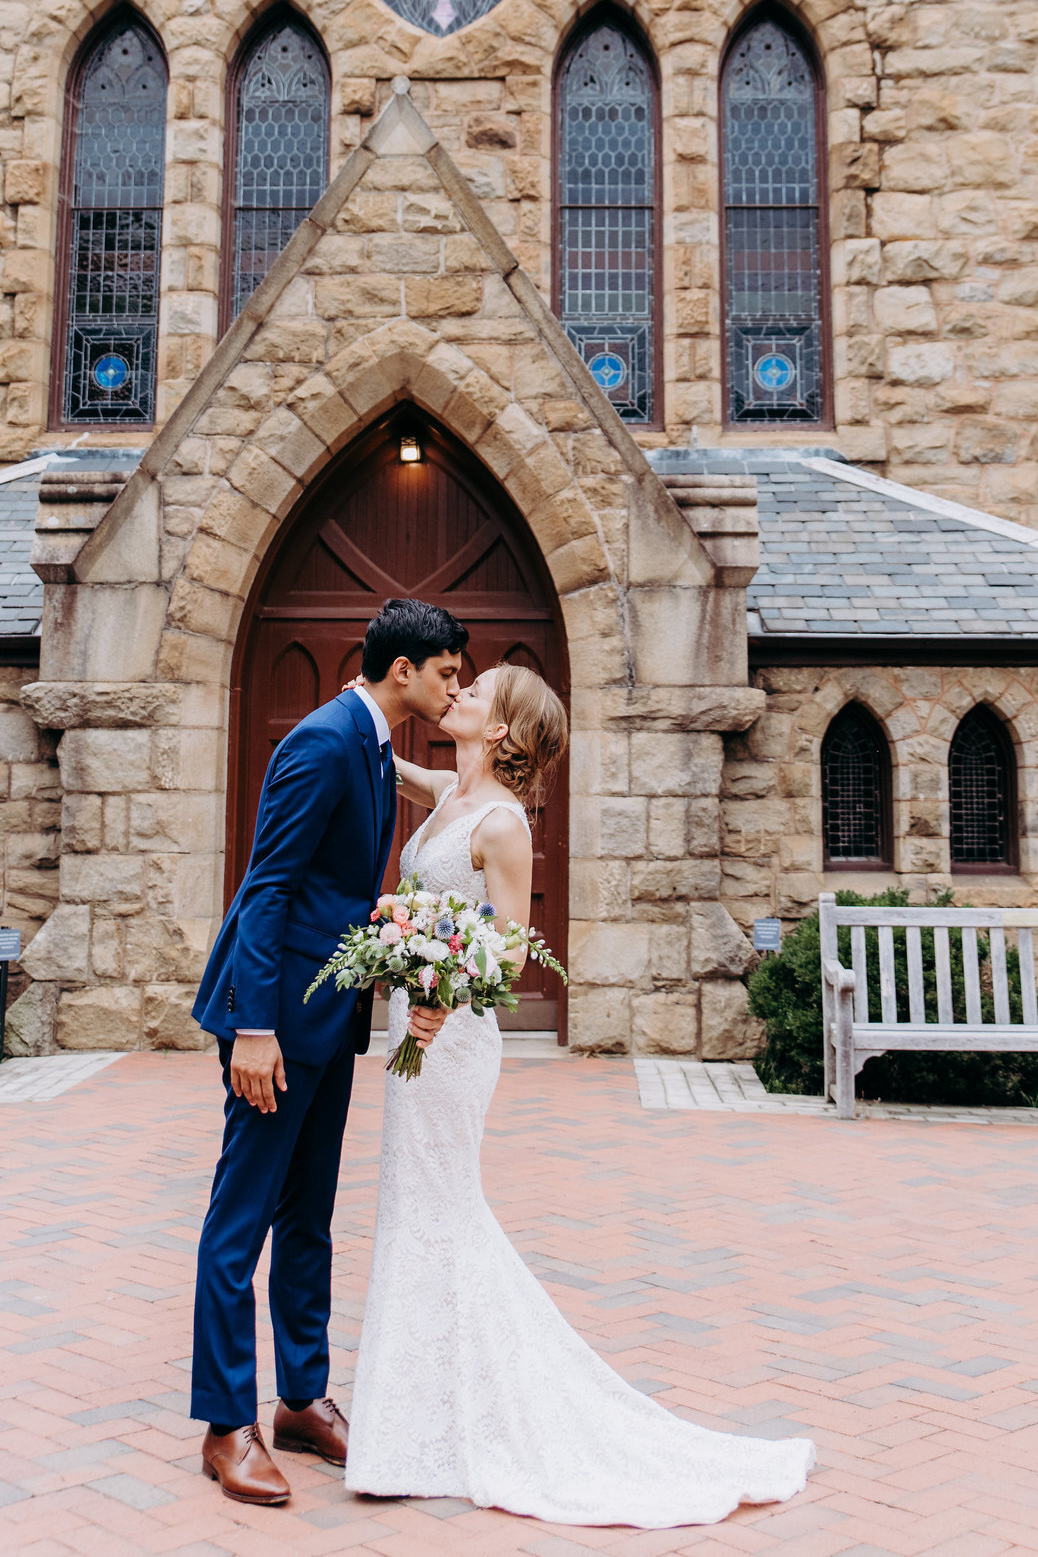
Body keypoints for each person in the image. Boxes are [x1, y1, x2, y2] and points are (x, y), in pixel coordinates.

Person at [345, 664, 816, 1527]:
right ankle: (417, 1422)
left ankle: (442, 1424)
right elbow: (386, 758)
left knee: (438, 1208)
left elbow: (510, 947)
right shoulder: (450, 790)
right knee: (413, 1207)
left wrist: (443, 993)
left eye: (476, 689)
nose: (459, 692)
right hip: (411, 1033)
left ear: (501, 731)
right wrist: (365, 703)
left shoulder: (501, 821)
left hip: (449, 1044)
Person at [189, 597, 467, 1506]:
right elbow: (267, 890)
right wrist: (255, 1030)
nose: (454, 684)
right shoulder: (317, 741)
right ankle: (226, 1423)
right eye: (448, 672)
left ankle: (301, 1398)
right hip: (275, 1026)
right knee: (241, 1221)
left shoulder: (377, 744)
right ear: (403, 672)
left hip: (329, 1017)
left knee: (307, 1216)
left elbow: (342, 887)